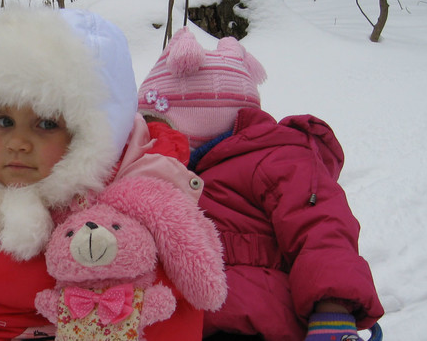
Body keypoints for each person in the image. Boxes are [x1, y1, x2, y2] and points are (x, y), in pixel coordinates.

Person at [0, 8, 221, 341]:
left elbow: (167, 318)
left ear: (93, 136)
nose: (17, 143)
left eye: (45, 124)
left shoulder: (112, 232)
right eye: (4, 121)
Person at [136, 27, 385, 341]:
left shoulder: (276, 158)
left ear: (197, 120)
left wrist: (332, 311)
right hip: (177, 324)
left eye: (154, 125)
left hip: (257, 325)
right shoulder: (164, 174)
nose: (147, 138)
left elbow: (322, 228)